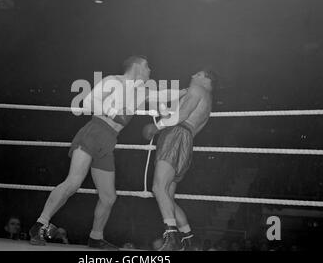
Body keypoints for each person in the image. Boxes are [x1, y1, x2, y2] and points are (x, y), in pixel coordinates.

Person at [29, 55, 184, 249]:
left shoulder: (141, 92)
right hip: (94, 131)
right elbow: (87, 102)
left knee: (108, 197)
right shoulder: (113, 81)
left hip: (109, 141)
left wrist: (187, 92)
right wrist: (112, 112)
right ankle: (39, 225)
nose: (150, 70)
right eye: (148, 67)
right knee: (73, 182)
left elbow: (164, 95)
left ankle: (95, 237)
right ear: (138, 66)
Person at [143, 70, 217, 251]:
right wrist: (162, 109)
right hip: (186, 142)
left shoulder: (197, 89)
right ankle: (189, 240)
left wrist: (157, 126)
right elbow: (179, 115)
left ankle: (172, 237)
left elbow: (181, 116)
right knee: (167, 195)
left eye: (197, 73)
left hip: (175, 137)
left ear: (205, 78)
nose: (192, 74)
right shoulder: (207, 100)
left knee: (158, 188)